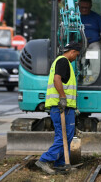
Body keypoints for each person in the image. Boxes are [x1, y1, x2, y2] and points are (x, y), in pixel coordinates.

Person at [35, 41, 81, 175]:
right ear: (72, 52)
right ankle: (45, 159)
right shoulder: (63, 61)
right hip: (61, 106)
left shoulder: (64, 63)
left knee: (67, 135)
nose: (76, 57)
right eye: (76, 55)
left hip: (65, 106)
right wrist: (62, 98)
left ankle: (61, 164)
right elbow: (57, 79)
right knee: (63, 136)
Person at [79, 0, 101, 83]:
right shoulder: (74, 18)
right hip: (78, 44)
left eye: (86, 8)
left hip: (93, 44)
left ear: (90, 6)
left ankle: (93, 79)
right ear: (78, 6)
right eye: (82, 7)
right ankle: (78, 77)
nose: (84, 9)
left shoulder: (97, 18)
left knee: (95, 52)